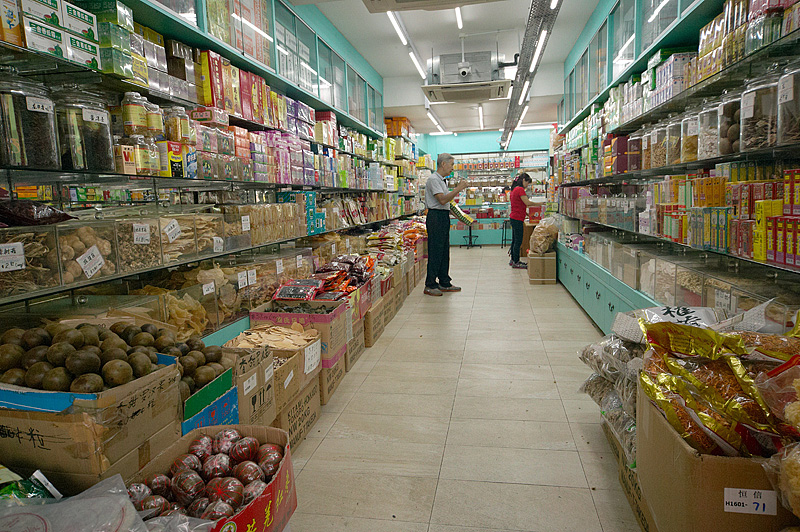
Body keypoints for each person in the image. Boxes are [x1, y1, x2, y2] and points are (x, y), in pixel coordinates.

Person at [424, 153, 469, 297]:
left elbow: (447, 204)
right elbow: (442, 200)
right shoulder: (433, 179)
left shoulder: (442, 181)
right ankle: (430, 284)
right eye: (451, 164)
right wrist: (458, 188)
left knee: (444, 251)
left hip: (443, 216)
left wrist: (461, 217)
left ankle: (444, 281)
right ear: (443, 164)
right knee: (435, 251)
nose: (452, 168)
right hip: (435, 217)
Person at [508, 172, 536, 269]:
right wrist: (540, 204)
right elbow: (527, 203)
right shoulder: (520, 189)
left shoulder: (514, 189)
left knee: (514, 240)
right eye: (527, 183)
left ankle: (513, 260)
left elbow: (519, 205)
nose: (527, 185)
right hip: (517, 218)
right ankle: (516, 262)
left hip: (514, 217)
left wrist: (528, 214)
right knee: (518, 241)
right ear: (523, 180)